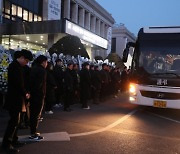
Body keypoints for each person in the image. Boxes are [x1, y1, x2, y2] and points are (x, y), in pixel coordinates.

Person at [2, 49, 33, 153]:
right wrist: (25, 93)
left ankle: (13, 140)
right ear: (22, 58)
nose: (27, 63)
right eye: (27, 61)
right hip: (14, 98)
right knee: (14, 121)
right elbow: (18, 83)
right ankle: (6, 144)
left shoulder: (18, 67)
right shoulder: (15, 67)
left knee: (16, 121)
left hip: (16, 98)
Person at [29, 55, 48, 141]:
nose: (47, 64)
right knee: (36, 114)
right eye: (46, 62)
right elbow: (39, 84)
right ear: (43, 62)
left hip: (32, 95)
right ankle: (33, 133)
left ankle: (33, 132)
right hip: (38, 95)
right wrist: (41, 93)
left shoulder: (33, 68)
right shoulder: (41, 70)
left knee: (33, 114)